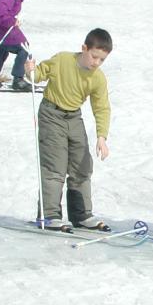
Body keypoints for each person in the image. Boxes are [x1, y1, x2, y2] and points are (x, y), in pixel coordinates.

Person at [25, 28, 112, 231]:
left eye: (102, 60)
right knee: (55, 166)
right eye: (94, 56)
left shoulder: (97, 78)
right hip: (51, 113)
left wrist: (101, 136)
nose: (96, 63)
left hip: (74, 116)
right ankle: (50, 215)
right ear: (84, 49)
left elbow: (102, 107)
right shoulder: (63, 60)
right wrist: (30, 70)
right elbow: (37, 75)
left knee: (82, 165)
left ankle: (81, 214)